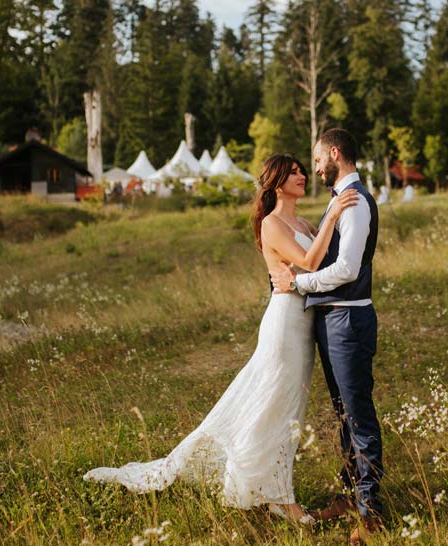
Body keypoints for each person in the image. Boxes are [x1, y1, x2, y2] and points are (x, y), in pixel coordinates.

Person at [84, 153, 359, 525]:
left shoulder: (304, 221)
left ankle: (265, 488)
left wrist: (330, 222)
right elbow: (310, 263)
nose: (301, 175)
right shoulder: (272, 224)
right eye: (293, 172)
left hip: (305, 324)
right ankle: (277, 496)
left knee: (286, 408)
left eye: (301, 170)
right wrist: (336, 216)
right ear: (277, 182)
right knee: (274, 407)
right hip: (284, 323)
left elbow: (323, 261)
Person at [271, 128, 384, 545]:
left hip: (348, 321)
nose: (316, 167)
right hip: (332, 320)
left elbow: (348, 270)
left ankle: (370, 514)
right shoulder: (339, 201)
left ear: (335, 153)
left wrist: (298, 284)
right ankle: (349, 496)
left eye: (317, 159)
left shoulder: (354, 203)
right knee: (343, 416)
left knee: (358, 415)